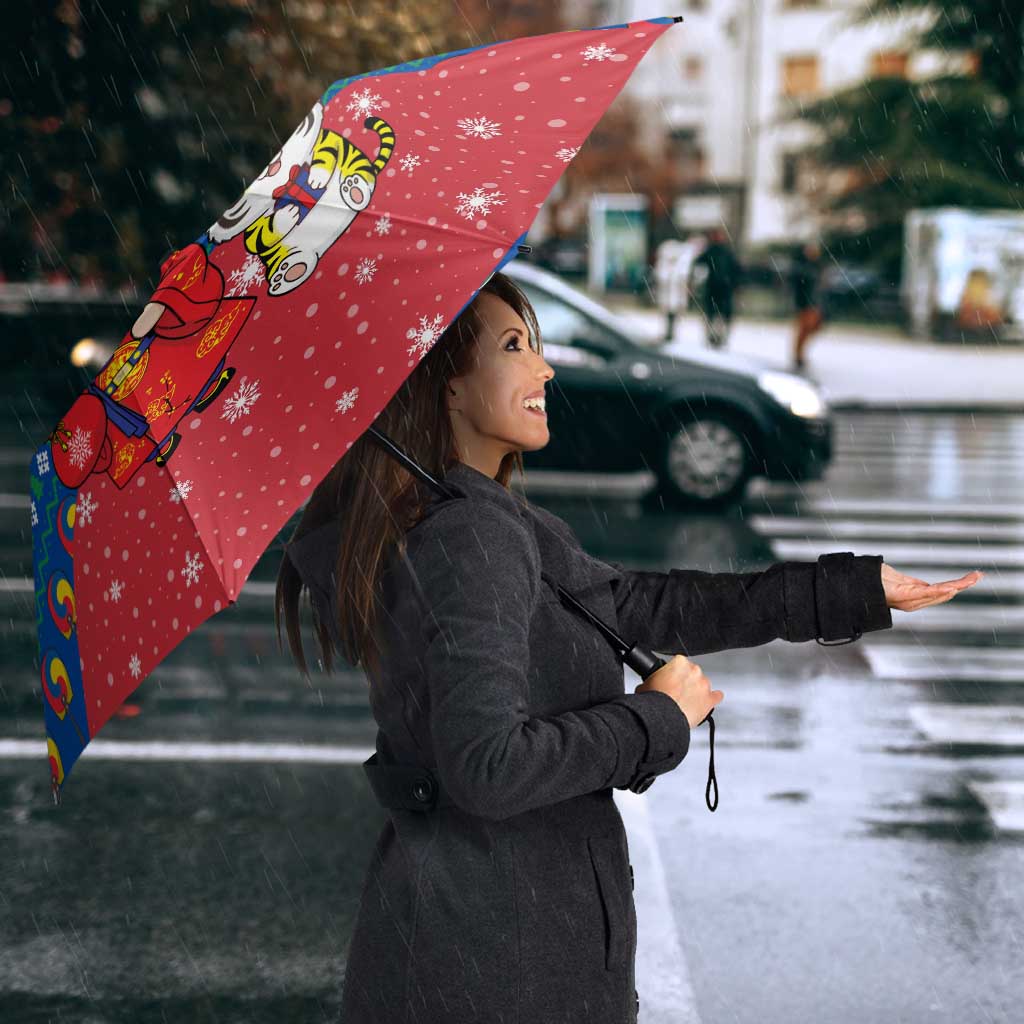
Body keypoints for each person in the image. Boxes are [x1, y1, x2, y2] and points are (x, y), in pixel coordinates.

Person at [275, 271, 978, 1024]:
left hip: (478, 943)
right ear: (445, 385)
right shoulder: (469, 537)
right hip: (498, 962)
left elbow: (640, 605)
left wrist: (850, 591)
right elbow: (487, 768)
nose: (544, 368)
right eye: (514, 346)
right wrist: (655, 719)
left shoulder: (475, 518)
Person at [692, 226, 742, 349]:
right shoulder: (712, 251)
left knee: (720, 315)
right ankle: (713, 337)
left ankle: (719, 337)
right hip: (715, 288)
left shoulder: (725, 252)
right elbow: (698, 264)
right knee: (713, 314)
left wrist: (735, 284)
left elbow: (736, 270)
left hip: (723, 288)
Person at [790, 239, 826, 370]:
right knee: (804, 329)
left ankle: (799, 354)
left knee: (812, 328)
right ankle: (798, 355)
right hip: (805, 303)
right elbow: (799, 286)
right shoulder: (802, 267)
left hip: (814, 303)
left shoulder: (817, 266)